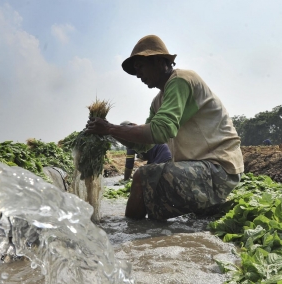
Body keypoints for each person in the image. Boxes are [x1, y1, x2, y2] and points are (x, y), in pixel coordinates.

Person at [86, 35, 244, 220]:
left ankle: (132, 233)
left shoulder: (181, 80)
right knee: (153, 200)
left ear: (160, 62)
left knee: (142, 178)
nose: (138, 75)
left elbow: (162, 130)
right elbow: (145, 146)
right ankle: (203, 210)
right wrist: (111, 132)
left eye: (141, 67)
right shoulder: (157, 102)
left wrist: (110, 129)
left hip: (219, 169)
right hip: (198, 168)